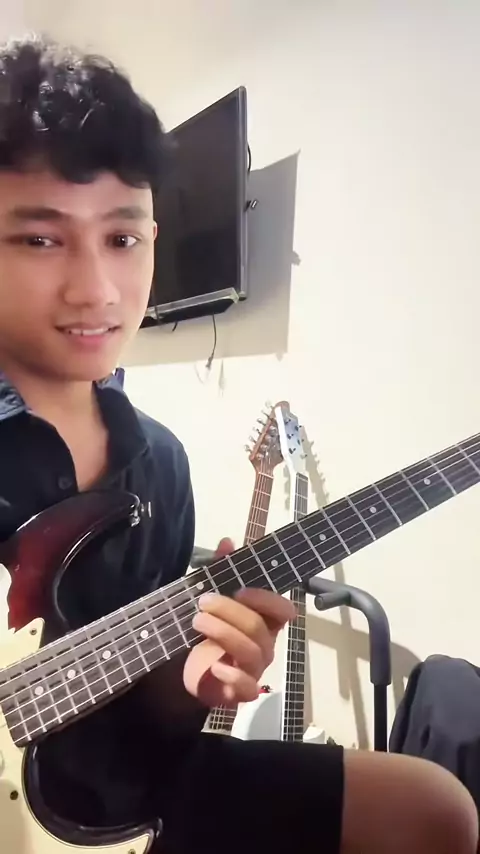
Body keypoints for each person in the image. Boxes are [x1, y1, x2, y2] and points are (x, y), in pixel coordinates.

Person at [0, 34, 476, 854]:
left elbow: (145, 711)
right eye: (41, 239)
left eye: (123, 239)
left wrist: (197, 682)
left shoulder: (158, 462)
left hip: (116, 792)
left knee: (434, 808)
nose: (97, 289)